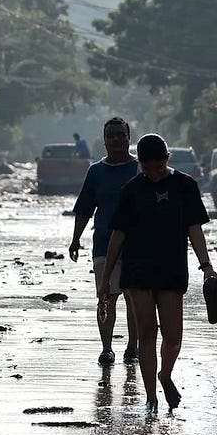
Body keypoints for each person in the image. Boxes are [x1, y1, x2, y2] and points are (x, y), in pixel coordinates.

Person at [100, 133, 215, 413]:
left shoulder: (185, 186)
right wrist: (105, 281)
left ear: (167, 159)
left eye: (159, 166)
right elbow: (118, 234)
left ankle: (165, 374)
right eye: (147, 168)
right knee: (147, 332)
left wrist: (207, 267)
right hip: (137, 270)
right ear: (140, 164)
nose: (153, 173)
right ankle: (150, 397)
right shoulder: (131, 190)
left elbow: (194, 229)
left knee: (174, 335)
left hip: (172, 268)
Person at [70, 117, 140, 366]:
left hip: (137, 247)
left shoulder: (140, 169)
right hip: (103, 244)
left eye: (121, 135)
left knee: (134, 298)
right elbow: (84, 209)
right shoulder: (96, 171)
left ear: (129, 138)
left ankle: (133, 347)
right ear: (104, 140)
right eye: (111, 135)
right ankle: (107, 348)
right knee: (106, 298)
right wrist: (75, 239)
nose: (116, 140)